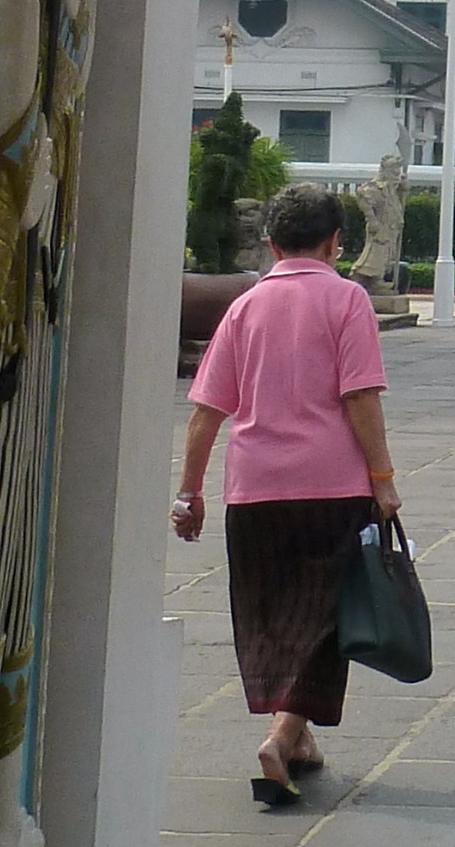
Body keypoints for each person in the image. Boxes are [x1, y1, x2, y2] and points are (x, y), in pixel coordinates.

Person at [171, 182, 403, 804]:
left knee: (271, 617)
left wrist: (188, 495)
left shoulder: (244, 308)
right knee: (326, 622)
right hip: (331, 488)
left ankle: (294, 738)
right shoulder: (347, 299)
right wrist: (382, 481)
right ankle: (281, 738)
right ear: (334, 243)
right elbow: (360, 396)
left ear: (271, 242)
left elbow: (206, 410)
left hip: (253, 494)